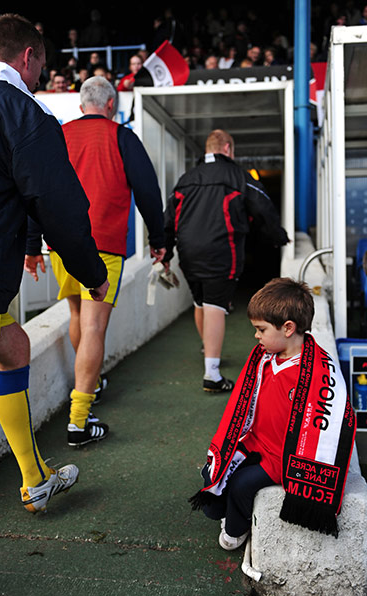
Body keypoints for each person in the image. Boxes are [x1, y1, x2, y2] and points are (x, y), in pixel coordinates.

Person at [0, 13, 109, 513]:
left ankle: (34, 480)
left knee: (14, 347)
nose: (43, 75)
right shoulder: (23, 112)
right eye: (43, 64)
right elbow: (59, 207)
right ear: (28, 57)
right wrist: (93, 273)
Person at [25, 75, 166, 447]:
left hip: (59, 247)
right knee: (93, 329)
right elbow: (148, 191)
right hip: (103, 247)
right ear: (110, 105)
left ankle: (90, 383)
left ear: (82, 103)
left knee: (77, 318)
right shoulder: (122, 136)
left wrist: (30, 244)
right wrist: (160, 238)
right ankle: (78, 422)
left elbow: (32, 188)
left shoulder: (58, 135)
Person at [189, 278, 356, 549]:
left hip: (282, 456)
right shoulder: (266, 357)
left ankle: (235, 530)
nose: (256, 336)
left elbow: (333, 420)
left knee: (242, 483)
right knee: (217, 466)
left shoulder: (318, 373)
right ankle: (222, 512)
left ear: (288, 328)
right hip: (257, 441)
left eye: (261, 329)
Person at [163, 129, 289, 392]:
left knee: (200, 302)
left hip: (188, 253)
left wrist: (164, 251)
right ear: (228, 149)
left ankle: (208, 348)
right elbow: (264, 208)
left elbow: (168, 217)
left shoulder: (187, 179)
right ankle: (212, 375)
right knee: (215, 307)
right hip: (222, 252)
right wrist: (278, 237)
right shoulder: (238, 177)